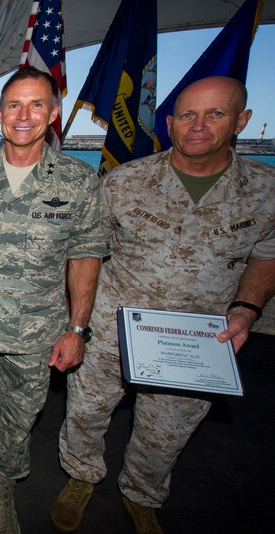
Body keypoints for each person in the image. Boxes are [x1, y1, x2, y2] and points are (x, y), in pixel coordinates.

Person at [51, 76, 275, 534]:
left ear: (241, 121)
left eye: (215, 114)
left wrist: (246, 309)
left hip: (198, 340)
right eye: (188, 115)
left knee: (166, 430)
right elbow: (87, 252)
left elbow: (267, 255)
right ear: (170, 123)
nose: (199, 125)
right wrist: (75, 325)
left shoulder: (266, 190)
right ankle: (81, 475)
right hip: (111, 329)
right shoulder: (125, 182)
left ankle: (143, 493)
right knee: (86, 412)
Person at [0, 67, 107, 533]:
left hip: (35, 331)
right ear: (0, 114)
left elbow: (85, 259)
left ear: (52, 114)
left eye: (35, 105)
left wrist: (76, 330)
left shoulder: (77, 181)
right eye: (14, 105)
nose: (23, 115)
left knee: (20, 413)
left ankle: (4, 480)